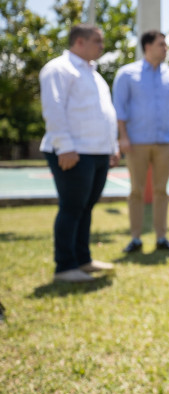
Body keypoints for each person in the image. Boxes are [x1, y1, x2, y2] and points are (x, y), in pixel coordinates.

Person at [39, 24, 119, 283]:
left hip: (97, 151)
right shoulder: (59, 69)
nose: (102, 46)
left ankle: (82, 260)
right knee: (72, 208)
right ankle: (65, 266)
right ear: (79, 42)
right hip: (74, 151)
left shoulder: (94, 74)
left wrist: (112, 147)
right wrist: (65, 146)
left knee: (86, 207)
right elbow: (53, 108)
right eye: (97, 41)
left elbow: (104, 113)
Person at [112, 30, 169, 253]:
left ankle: (161, 237)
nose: (165, 48)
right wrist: (123, 137)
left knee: (161, 190)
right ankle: (135, 238)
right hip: (136, 144)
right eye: (161, 44)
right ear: (147, 47)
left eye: (165, 44)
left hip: (166, 143)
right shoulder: (127, 74)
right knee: (136, 191)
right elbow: (119, 108)